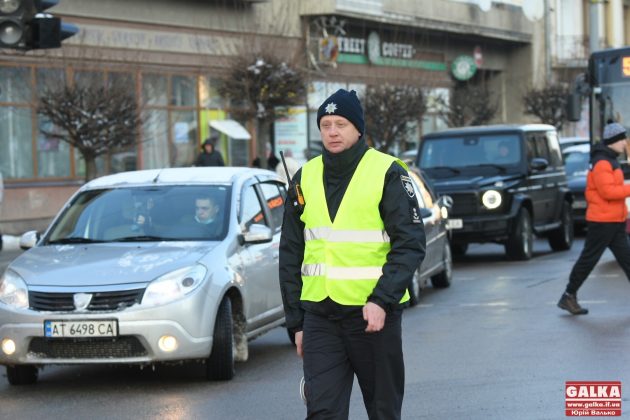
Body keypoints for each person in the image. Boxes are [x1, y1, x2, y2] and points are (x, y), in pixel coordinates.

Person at [279, 88, 426, 419]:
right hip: (320, 318)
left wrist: (382, 300)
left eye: (341, 123)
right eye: (326, 124)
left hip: (373, 317)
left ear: (358, 128)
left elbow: (411, 242)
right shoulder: (304, 177)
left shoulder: (387, 172)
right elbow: (290, 252)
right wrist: (296, 322)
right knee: (322, 411)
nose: (332, 131)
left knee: (382, 411)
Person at [558, 122, 630, 315]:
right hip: (603, 222)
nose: (625, 142)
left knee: (628, 260)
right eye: (622, 139)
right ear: (613, 141)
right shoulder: (602, 162)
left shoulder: (610, 160)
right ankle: (568, 295)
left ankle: (569, 296)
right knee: (588, 260)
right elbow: (608, 192)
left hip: (614, 221)